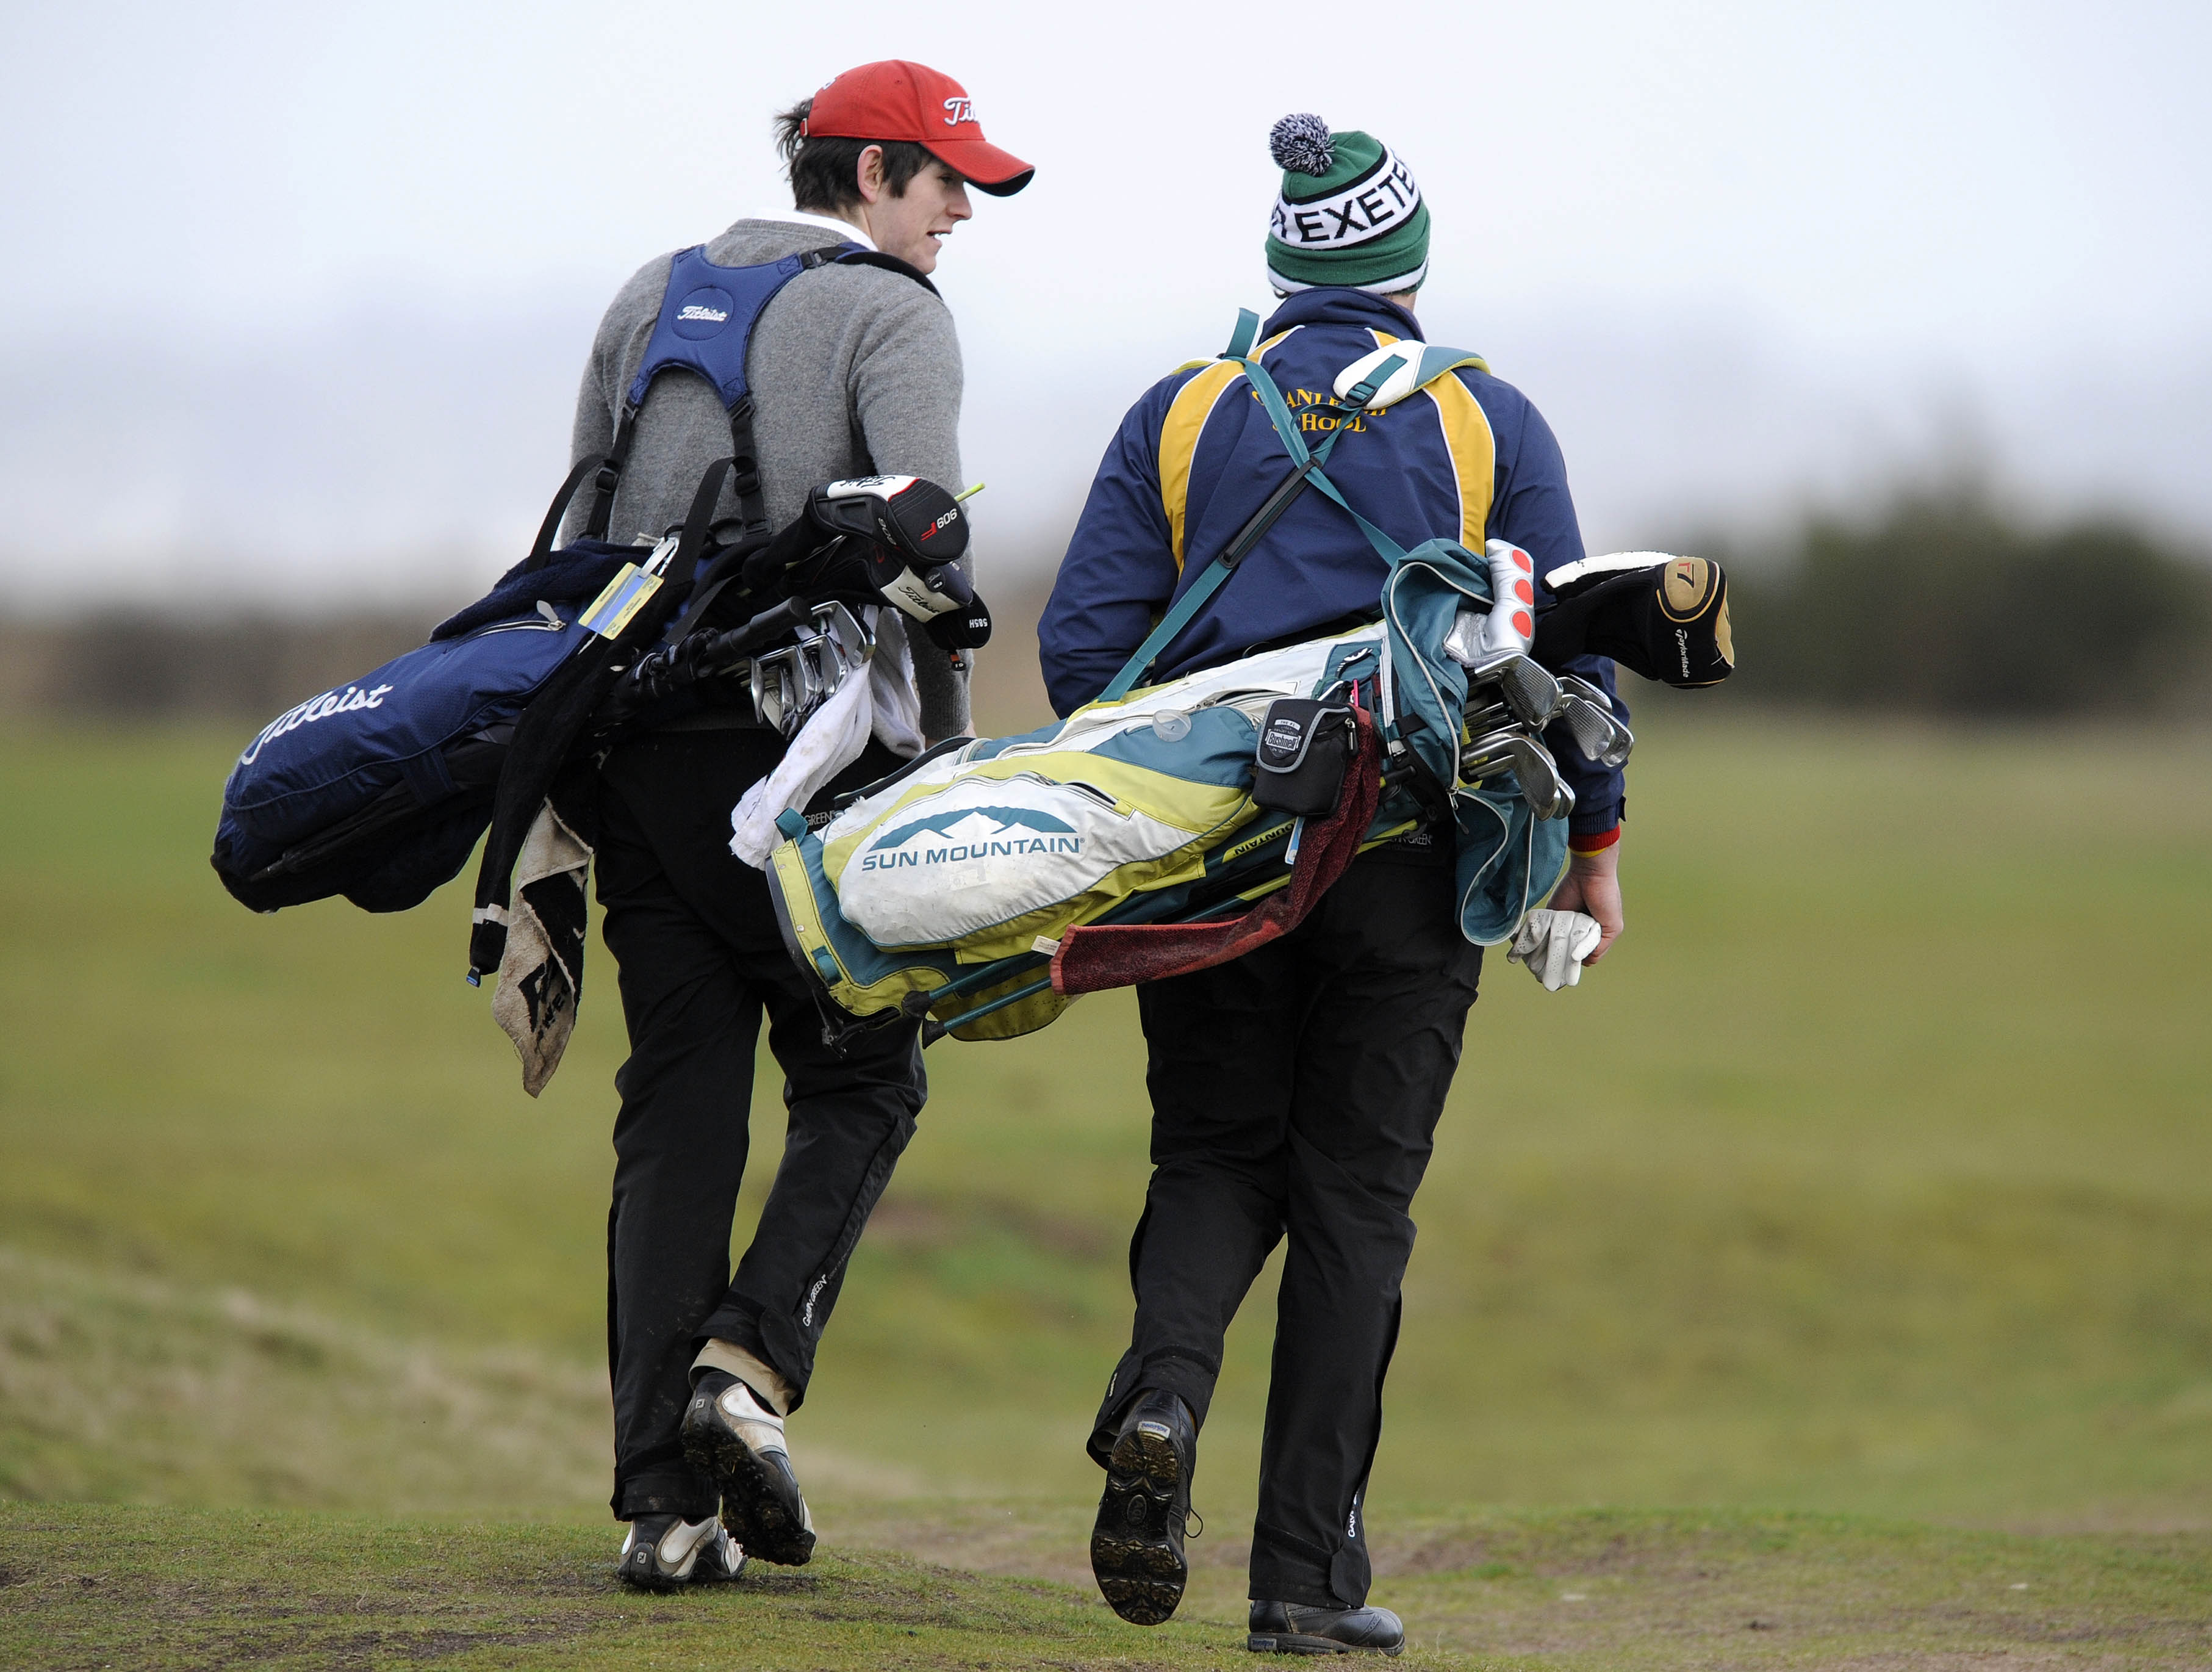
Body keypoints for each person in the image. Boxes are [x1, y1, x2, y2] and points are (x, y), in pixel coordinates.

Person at [1036, 114, 1627, 1654]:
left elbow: (1087, 654)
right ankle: (1304, 1579)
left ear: (1288, 263)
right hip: (1414, 865)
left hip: (1219, 859)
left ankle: (1165, 1391)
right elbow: (1572, 665)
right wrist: (1598, 851)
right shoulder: (1490, 423)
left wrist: (1179, 810)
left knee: (1216, 1154)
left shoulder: (1184, 412)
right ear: (1411, 267)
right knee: (1356, 1197)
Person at [567, 60, 1032, 1589]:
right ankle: (746, 1369)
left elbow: (580, 542)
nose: (961, 210)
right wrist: (948, 781)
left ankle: (661, 1504)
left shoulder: (651, 291)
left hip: (636, 759)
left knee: (676, 1112)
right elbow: (930, 581)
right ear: (874, 171)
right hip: (802, 780)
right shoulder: (896, 314)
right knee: (867, 1075)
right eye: (947, 180)